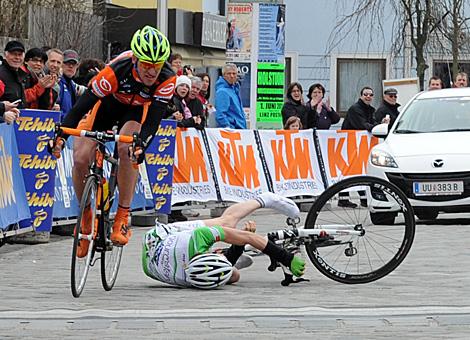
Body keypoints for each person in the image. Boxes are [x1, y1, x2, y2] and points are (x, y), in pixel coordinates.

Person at [48, 25, 175, 257]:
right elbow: (82, 105)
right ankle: (86, 215)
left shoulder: (167, 78)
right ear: (136, 59)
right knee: (80, 157)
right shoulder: (117, 70)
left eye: (156, 66)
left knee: (128, 148)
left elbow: (154, 119)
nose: (151, 72)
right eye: (147, 65)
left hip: (136, 112)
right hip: (106, 105)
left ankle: (123, 216)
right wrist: (61, 135)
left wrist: (142, 144)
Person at [141, 192, 306, 289]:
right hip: (154, 264)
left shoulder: (199, 238)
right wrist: (237, 247)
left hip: (158, 237)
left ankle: (264, 199)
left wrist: (286, 258)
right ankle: (228, 257)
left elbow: (250, 238)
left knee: (227, 223)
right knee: (233, 275)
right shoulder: (191, 279)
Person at [341, 87, 389, 208]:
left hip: (359, 145)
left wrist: (379, 124)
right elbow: (362, 125)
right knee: (349, 170)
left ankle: (362, 198)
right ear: (361, 96)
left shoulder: (369, 109)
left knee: (359, 170)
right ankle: (344, 198)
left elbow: (370, 123)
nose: (368, 97)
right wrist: (377, 126)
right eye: (366, 94)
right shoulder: (355, 109)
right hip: (349, 145)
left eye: (371, 95)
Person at [57, 49, 86, 120]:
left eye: (74, 64)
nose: (71, 66)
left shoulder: (72, 85)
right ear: (61, 64)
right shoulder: (57, 83)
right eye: (67, 63)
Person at [215, 63, 246, 129]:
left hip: (238, 130)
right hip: (233, 132)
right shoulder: (222, 91)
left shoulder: (234, 90)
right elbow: (220, 115)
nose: (232, 76)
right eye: (229, 73)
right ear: (223, 75)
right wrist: (228, 128)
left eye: (234, 73)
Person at [0, 41, 27, 109]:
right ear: (6, 55)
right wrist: (3, 110)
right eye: (14, 54)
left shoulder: (24, 75)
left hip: (20, 117)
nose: (17, 57)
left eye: (20, 54)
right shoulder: (1, 74)